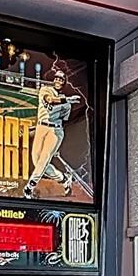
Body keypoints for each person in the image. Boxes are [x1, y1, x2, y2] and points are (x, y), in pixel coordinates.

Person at [24, 64, 82, 198]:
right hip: (41, 128)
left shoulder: (67, 104)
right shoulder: (45, 90)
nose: (58, 81)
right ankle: (63, 178)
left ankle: (29, 187)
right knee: (38, 162)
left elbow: (63, 120)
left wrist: (56, 143)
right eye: (57, 78)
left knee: (44, 158)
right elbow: (49, 100)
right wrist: (66, 99)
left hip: (55, 131)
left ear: (64, 82)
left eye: (61, 79)